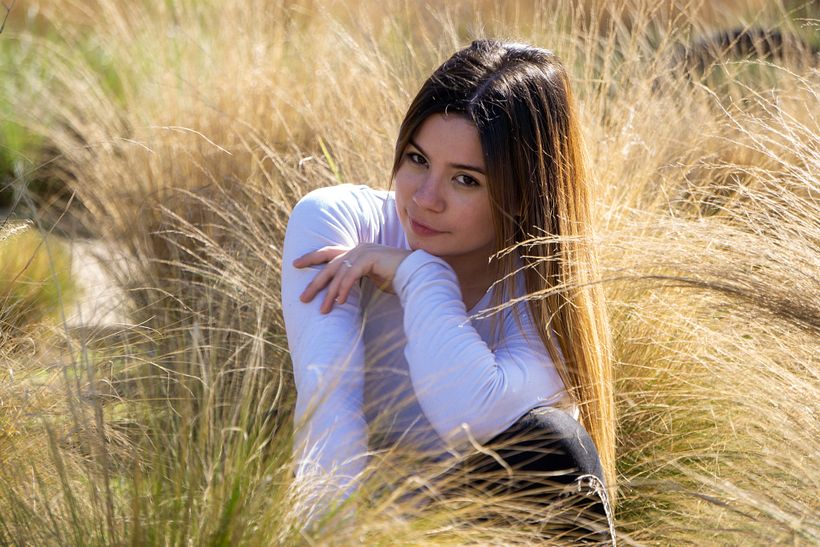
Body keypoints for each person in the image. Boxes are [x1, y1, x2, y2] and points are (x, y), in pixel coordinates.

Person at [281, 39, 615, 539]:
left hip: (480, 535)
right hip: (364, 534)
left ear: (524, 195)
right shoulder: (339, 223)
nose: (425, 199)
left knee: (554, 443)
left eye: (465, 180)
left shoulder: (544, 291)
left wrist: (419, 276)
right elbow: (329, 410)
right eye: (417, 159)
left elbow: (472, 416)